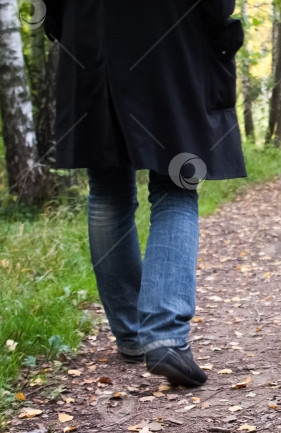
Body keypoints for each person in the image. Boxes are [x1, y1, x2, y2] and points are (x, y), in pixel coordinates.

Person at [43, 1, 246, 387]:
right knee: (176, 186)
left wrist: (64, 23)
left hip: (89, 37)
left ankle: (134, 336)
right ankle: (165, 336)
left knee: (107, 188)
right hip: (170, 37)